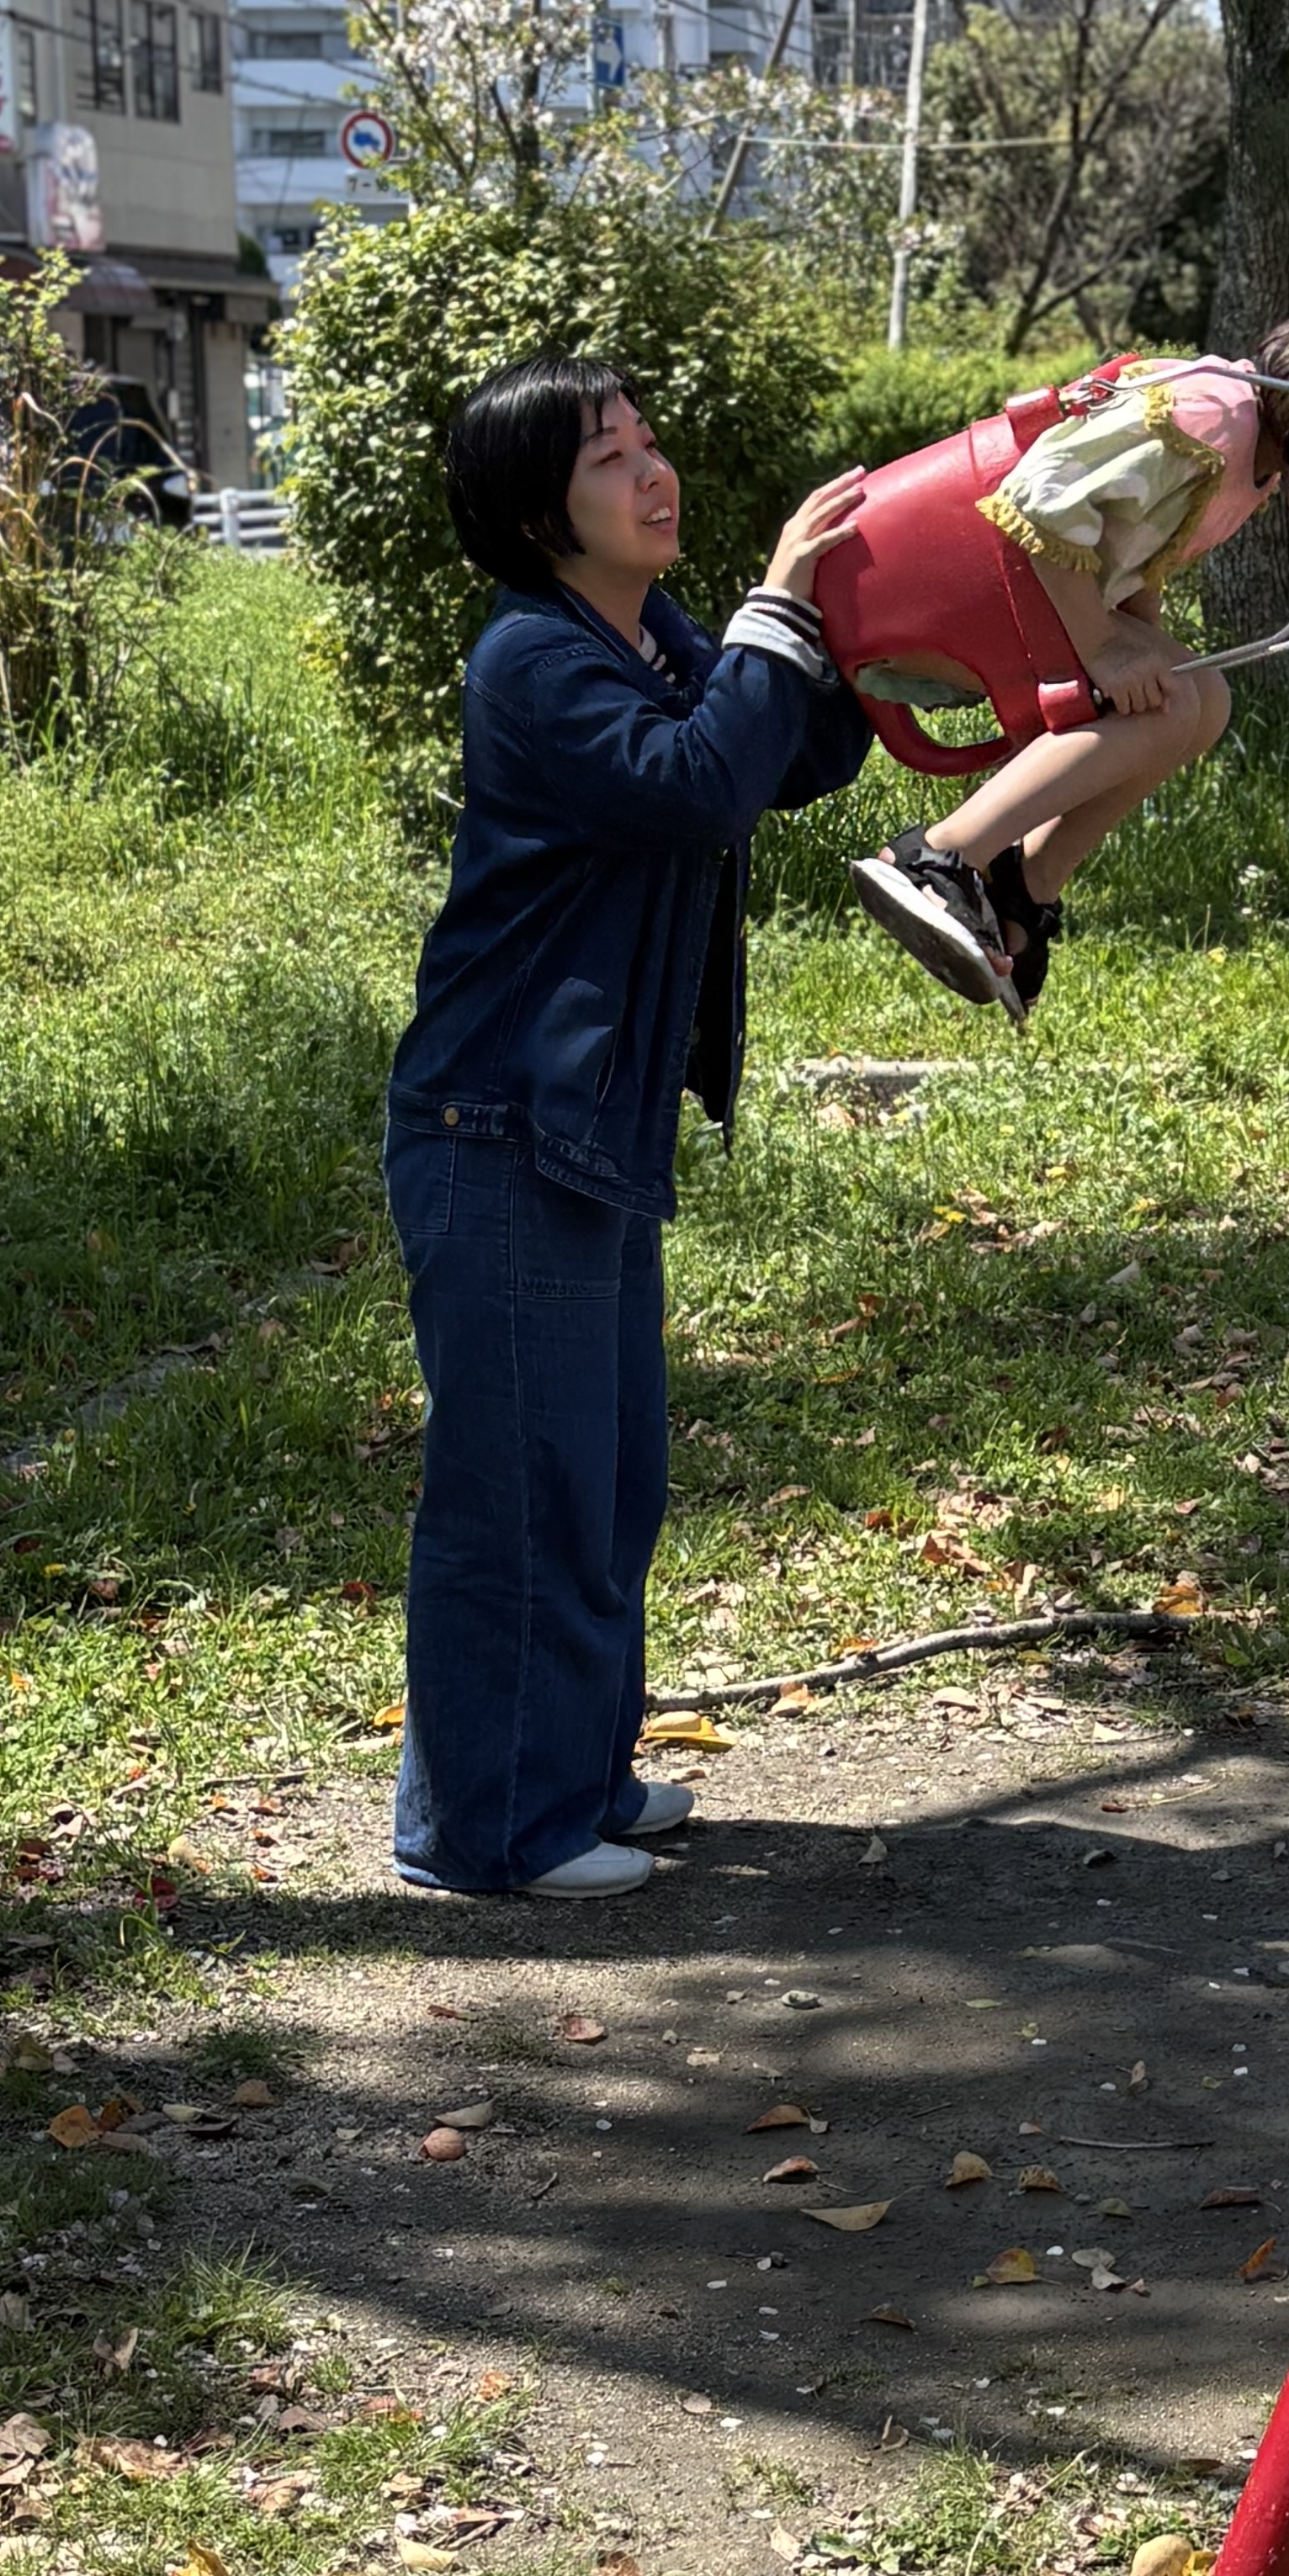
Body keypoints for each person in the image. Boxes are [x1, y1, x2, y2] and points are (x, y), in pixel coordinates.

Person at [382, 358, 877, 1902]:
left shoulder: (647, 631)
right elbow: (696, 784)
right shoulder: (534, 658)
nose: (652, 474)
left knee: (602, 1478)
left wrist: (850, 619)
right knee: (518, 1487)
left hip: (575, 1122)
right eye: (611, 459)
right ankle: (490, 1836)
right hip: (499, 1118)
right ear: (542, 514)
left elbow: (796, 754)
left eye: (649, 444)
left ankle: (573, 1778)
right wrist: (776, 620)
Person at [835, 278, 1289, 1018]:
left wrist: (1142, 647)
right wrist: (1107, 650)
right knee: (1174, 704)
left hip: (1022, 585)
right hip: (945, 582)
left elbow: (1137, 553)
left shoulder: (1245, 460)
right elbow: (1039, 496)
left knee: (1204, 701)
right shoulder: (1209, 415)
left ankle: (1022, 883)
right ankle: (938, 856)